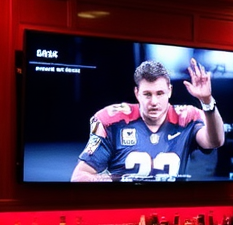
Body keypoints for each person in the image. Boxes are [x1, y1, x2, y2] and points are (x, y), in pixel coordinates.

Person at [71, 58, 224, 181]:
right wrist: (114, 180)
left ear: (169, 91)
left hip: (172, 208)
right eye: (147, 94)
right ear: (137, 93)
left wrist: (207, 101)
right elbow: (79, 176)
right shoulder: (112, 121)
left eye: (160, 93)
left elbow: (215, 142)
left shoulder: (186, 117)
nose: (154, 102)